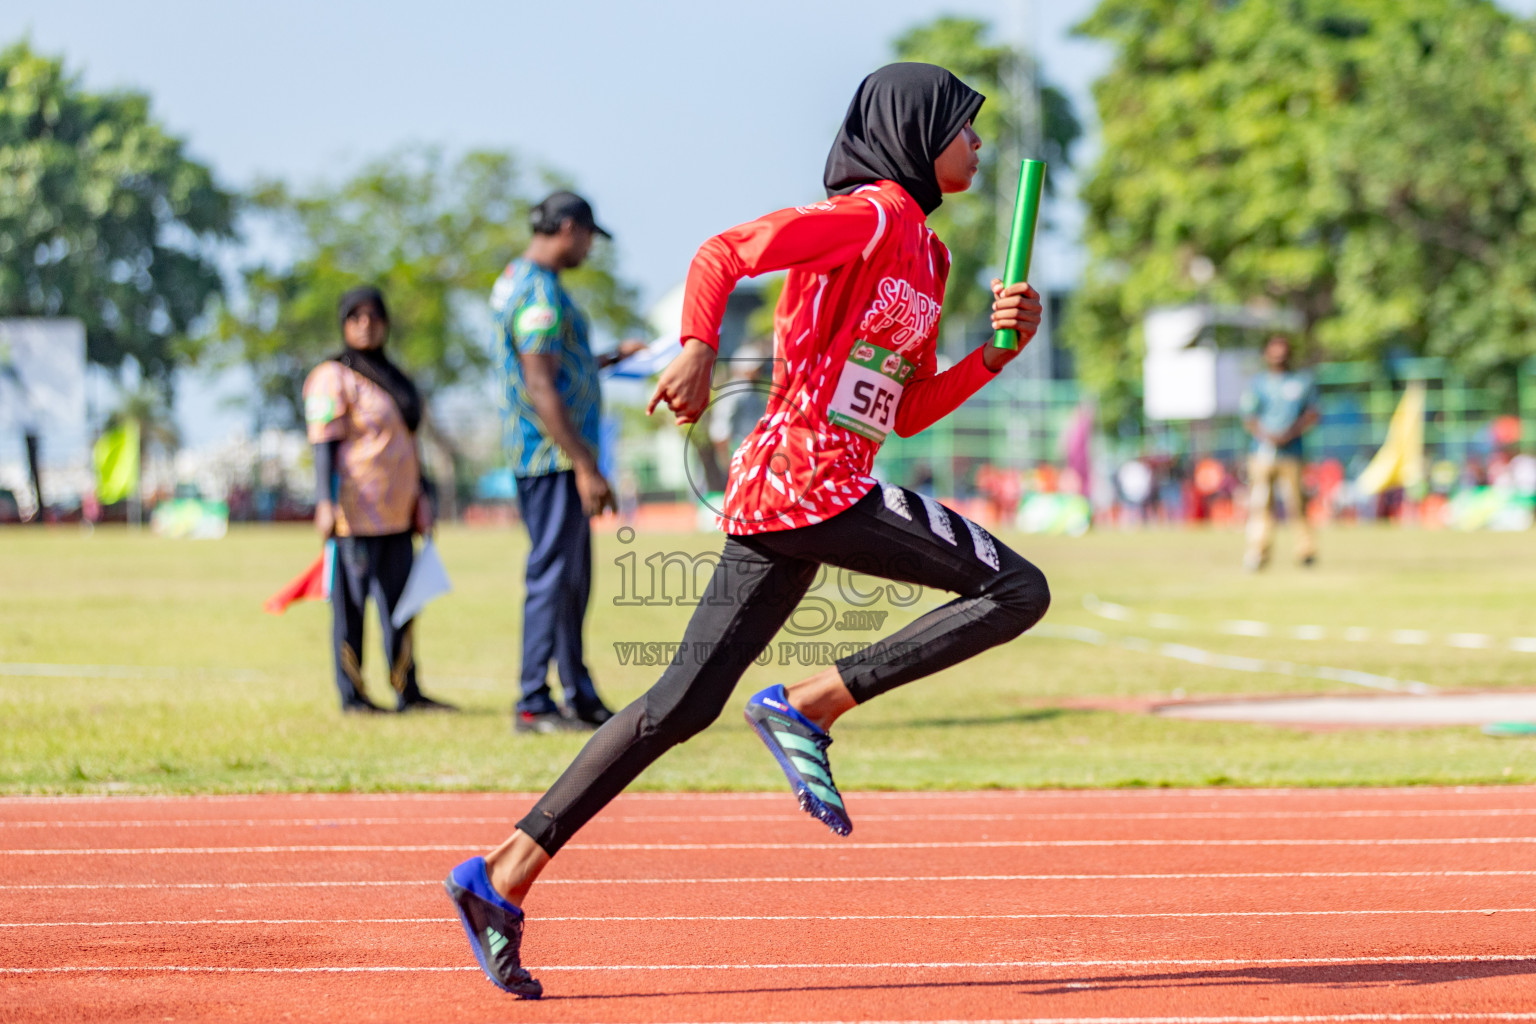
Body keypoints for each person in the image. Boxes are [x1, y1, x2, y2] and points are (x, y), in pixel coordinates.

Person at [443, 63, 1049, 999]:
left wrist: (995, 354)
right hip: (810, 481)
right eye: (966, 127)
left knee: (680, 706)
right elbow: (722, 252)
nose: (978, 145)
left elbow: (910, 408)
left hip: (810, 489)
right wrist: (695, 349)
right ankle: (810, 703)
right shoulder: (872, 215)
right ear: (917, 133)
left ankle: (499, 876)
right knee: (1017, 589)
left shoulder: (927, 255)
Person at [491, 192, 646, 734]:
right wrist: (586, 463)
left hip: (551, 456)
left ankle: (577, 692)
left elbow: (558, 364)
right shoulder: (537, 291)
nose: (587, 249)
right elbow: (539, 382)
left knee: (572, 579)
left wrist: (609, 358)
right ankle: (533, 701)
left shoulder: (518, 278)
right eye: (586, 237)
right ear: (568, 229)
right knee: (554, 577)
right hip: (551, 458)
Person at [303, 286, 455, 714]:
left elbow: (409, 446)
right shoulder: (332, 376)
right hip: (354, 514)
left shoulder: (396, 379)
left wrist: (422, 497)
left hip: (399, 513)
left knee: (404, 605)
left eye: (373, 316)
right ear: (344, 324)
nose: (365, 324)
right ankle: (353, 695)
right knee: (350, 609)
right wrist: (324, 501)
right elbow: (324, 447)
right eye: (356, 317)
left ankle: (408, 689)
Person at [1240, 334, 1319, 570]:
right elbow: (1249, 417)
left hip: (1291, 452)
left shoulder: (1301, 382)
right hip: (1262, 453)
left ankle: (1306, 550)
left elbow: (1312, 413)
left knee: (1297, 503)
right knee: (1261, 503)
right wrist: (1267, 435)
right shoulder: (1259, 384)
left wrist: (1290, 433)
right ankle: (1258, 552)